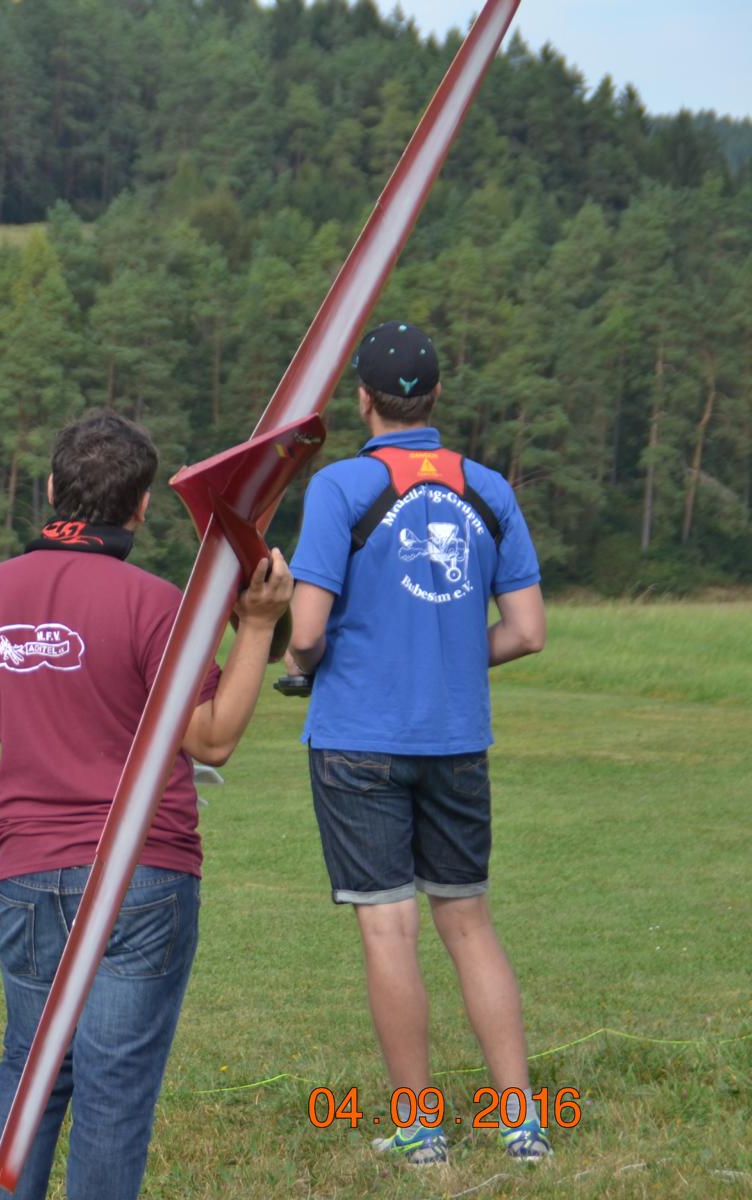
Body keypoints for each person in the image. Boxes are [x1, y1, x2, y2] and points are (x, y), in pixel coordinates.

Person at [0, 410, 294, 1200]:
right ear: (141, 506)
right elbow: (213, 738)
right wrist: (259, 625)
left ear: (51, 489)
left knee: (31, 1068)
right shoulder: (156, 604)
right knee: (114, 1089)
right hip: (144, 877)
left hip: (29, 875)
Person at [285, 321, 549, 1166]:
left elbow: (306, 633)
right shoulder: (487, 488)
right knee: (469, 923)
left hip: (357, 739)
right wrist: (453, 655)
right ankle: (522, 1123)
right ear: (435, 396)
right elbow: (528, 630)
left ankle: (421, 1128)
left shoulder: (339, 486)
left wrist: (297, 664)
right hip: (457, 738)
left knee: (389, 932)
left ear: (363, 399)